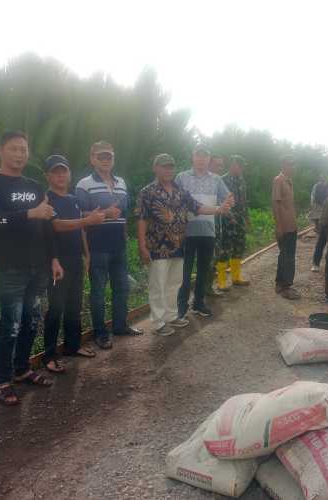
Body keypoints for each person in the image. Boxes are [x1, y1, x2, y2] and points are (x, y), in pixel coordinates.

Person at [0, 131, 62, 406]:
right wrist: (29, 213)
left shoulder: (35, 186)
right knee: (10, 325)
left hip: (38, 265)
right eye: (14, 149)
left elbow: (47, 224)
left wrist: (54, 258)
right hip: (11, 267)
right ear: (1, 150)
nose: (20, 154)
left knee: (31, 322)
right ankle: (3, 380)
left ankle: (23, 368)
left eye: (24, 149)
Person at [136, 154, 233, 336]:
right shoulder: (147, 192)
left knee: (175, 282)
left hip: (179, 245)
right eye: (164, 167)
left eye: (171, 167)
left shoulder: (179, 191)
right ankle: (158, 322)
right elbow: (141, 220)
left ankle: (172, 316)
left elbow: (197, 207)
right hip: (157, 247)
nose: (168, 170)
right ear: (155, 168)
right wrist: (142, 246)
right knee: (158, 284)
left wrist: (219, 209)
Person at [76, 141, 142, 350]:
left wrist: (125, 238)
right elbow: (78, 215)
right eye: (101, 157)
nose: (105, 160)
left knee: (121, 288)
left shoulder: (121, 182)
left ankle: (120, 326)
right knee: (98, 291)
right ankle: (100, 333)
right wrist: (104, 214)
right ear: (92, 159)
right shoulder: (84, 184)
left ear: (113, 159)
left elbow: (124, 214)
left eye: (109, 157)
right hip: (97, 246)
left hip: (118, 246)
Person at [42, 155, 105, 373]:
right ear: (48, 176)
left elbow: (80, 230)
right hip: (57, 261)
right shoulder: (46, 199)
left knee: (74, 306)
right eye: (55, 172)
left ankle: (72, 345)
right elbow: (56, 226)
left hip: (77, 259)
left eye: (64, 171)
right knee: (56, 308)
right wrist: (87, 220)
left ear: (69, 174)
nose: (60, 175)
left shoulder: (73, 199)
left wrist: (87, 255)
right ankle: (49, 355)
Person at [175, 144, 233, 319]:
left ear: (209, 159)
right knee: (183, 272)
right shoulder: (181, 177)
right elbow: (174, 200)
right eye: (198, 156)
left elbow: (229, 198)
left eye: (204, 156)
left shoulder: (216, 179)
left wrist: (228, 204)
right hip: (186, 232)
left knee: (203, 270)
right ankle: (181, 307)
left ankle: (198, 303)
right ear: (193, 157)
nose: (201, 159)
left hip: (208, 231)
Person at [216, 155, 250, 289]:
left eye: (242, 166)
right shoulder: (222, 180)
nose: (241, 168)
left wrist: (247, 219)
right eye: (238, 165)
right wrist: (230, 216)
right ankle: (222, 282)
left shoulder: (242, 180)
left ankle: (236, 278)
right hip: (226, 221)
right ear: (231, 165)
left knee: (239, 247)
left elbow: (244, 201)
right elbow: (220, 202)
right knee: (225, 250)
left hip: (240, 220)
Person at [272, 156, 300, 299]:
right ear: (283, 165)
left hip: (291, 226)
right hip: (284, 227)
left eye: (293, 165)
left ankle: (282, 284)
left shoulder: (289, 181)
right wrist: (278, 227)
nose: (292, 167)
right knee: (286, 257)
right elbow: (276, 204)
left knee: (287, 256)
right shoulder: (279, 180)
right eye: (289, 164)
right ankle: (284, 287)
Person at [207, 154, 227, 296]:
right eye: (217, 165)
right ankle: (201, 291)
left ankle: (208, 288)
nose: (219, 168)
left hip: (217, 226)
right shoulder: (205, 181)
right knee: (206, 259)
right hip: (203, 228)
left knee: (214, 257)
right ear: (209, 164)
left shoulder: (218, 181)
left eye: (221, 165)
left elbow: (226, 199)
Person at [310, 177, 328, 272]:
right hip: (327, 226)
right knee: (327, 245)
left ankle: (317, 265)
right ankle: (322, 265)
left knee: (321, 245)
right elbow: (327, 216)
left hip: (326, 225)